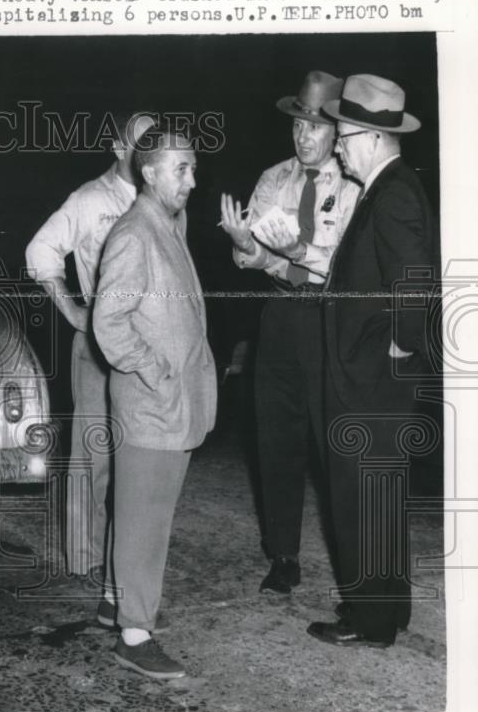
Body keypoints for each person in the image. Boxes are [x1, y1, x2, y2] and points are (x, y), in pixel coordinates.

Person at [300, 74, 437, 647]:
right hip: (370, 376)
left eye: (346, 135)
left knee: (361, 496)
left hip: (371, 380)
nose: (337, 145)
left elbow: (416, 281)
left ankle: (369, 620)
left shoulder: (394, 191)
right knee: (377, 496)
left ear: (376, 139)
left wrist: (401, 345)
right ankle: (389, 610)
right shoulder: (386, 186)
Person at [220, 71, 360, 595]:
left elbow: (346, 267)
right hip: (279, 316)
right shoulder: (273, 178)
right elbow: (253, 261)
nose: (304, 136)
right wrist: (243, 243)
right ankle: (283, 555)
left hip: (330, 316)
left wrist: (296, 254)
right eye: (299, 124)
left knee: (334, 445)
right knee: (275, 437)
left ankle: (353, 561)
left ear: (336, 131)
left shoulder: (354, 185)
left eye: (316, 127)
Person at [93, 126, 217, 678]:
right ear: (149, 172)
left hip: (169, 403)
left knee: (137, 511)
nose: (192, 179)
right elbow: (109, 324)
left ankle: (116, 602)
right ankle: (135, 635)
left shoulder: (162, 226)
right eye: (182, 169)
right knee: (146, 519)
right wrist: (155, 369)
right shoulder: (135, 234)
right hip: (151, 404)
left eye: (192, 168)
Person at [25, 112, 156, 586]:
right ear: (119, 149)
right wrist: (75, 312)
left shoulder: (163, 202)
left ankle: (128, 555)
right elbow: (39, 253)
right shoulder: (89, 199)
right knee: (92, 454)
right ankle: (85, 559)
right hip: (100, 342)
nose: (148, 154)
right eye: (140, 145)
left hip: (147, 343)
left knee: (140, 453)